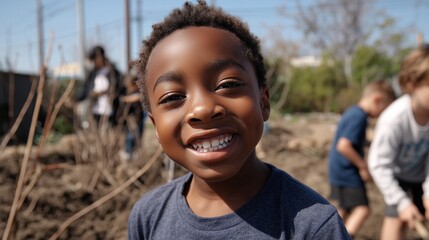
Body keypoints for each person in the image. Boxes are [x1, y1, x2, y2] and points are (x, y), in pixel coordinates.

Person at [127, 1, 350, 239]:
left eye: (228, 85)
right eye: (173, 97)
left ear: (263, 103)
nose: (202, 109)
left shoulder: (313, 226)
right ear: (155, 127)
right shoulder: (148, 217)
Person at [368, 44, 429, 240]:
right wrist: (402, 203)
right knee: (396, 221)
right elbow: (379, 164)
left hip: (423, 175)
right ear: (412, 83)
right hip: (396, 177)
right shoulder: (394, 118)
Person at [328, 80, 395, 237]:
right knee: (363, 209)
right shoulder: (359, 116)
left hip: (337, 170)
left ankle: (328, 235)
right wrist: (363, 167)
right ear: (377, 100)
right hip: (347, 172)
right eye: (385, 109)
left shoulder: (352, 112)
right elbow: (344, 146)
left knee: (343, 209)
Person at [75, 45, 121, 126]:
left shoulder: (113, 72)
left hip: (110, 112)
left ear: (100, 57)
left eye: (94, 59)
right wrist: (75, 99)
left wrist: (102, 93)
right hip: (96, 111)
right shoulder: (92, 74)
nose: (94, 62)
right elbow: (86, 89)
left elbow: (117, 89)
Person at [119, 73, 147, 161]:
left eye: (129, 86)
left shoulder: (140, 93)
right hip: (132, 118)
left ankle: (135, 152)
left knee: (136, 134)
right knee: (129, 136)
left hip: (139, 118)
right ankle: (128, 152)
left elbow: (136, 98)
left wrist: (124, 99)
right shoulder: (130, 92)